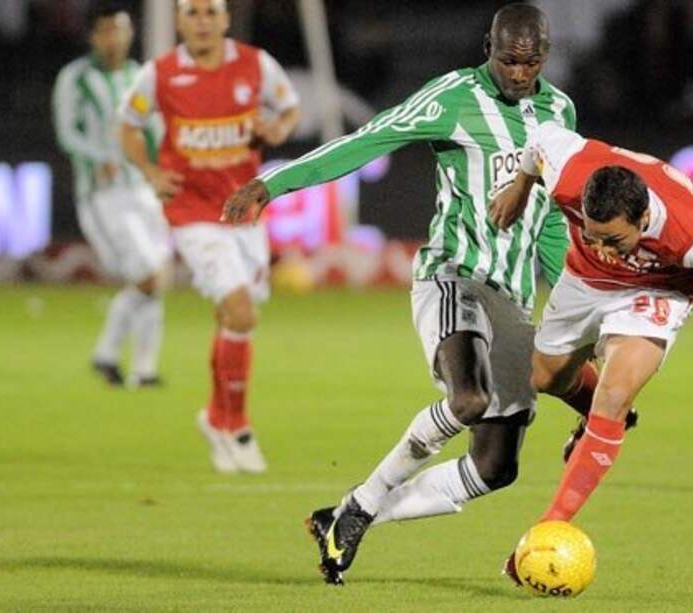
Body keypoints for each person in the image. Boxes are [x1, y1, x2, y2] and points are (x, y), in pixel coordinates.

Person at [223, 3, 591, 585]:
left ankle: (344, 515)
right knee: (467, 400)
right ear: (487, 48)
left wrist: (575, 302)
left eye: (531, 63)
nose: (519, 74)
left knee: (496, 468)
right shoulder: (452, 96)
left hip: (514, 298)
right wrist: (275, 182)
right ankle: (365, 503)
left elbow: (548, 220)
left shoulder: (560, 111)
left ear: (545, 58)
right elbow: (369, 139)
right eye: (508, 60)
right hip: (454, 276)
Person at [489, 121, 693, 581]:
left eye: (614, 239)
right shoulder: (572, 171)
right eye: (592, 233)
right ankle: (602, 423)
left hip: (655, 291)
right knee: (546, 377)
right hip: (583, 281)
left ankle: (550, 526)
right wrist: (520, 187)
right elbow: (539, 138)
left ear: (644, 219)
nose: (603, 246)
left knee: (614, 392)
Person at [119, 0, 300, 473]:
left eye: (210, 12)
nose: (201, 20)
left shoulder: (256, 64)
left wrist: (275, 128)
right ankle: (237, 426)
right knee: (239, 311)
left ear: (225, 19)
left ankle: (216, 417)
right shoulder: (159, 74)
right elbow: (128, 124)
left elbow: (289, 110)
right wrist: (151, 171)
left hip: (244, 209)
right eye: (192, 12)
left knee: (234, 317)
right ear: (179, 21)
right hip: (193, 212)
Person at [53, 2, 169, 388]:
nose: (114, 38)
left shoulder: (139, 76)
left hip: (142, 190)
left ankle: (141, 369)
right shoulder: (76, 78)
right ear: (93, 36)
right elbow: (67, 132)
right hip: (103, 194)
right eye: (106, 31)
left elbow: (155, 129)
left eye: (119, 30)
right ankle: (115, 356)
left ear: (130, 33)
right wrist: (99, 156)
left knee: (156, 276)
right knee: (147, 276)